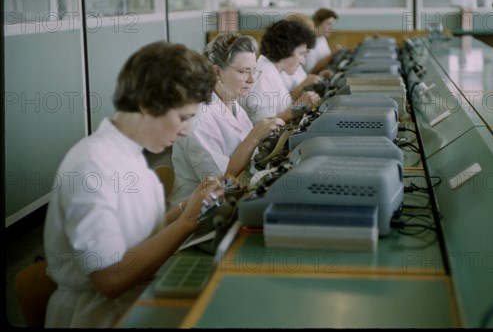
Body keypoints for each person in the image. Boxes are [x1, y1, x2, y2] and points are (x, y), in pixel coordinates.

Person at [43, 41, 222, 328]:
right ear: (148, 106)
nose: (187, 129)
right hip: (97, 314)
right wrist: (186, 222)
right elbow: (110, 277)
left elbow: (136, 235)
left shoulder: (130, 153)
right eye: (184, 117)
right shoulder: (92, 165)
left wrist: (188, 207)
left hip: (131, 298)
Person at [169, 33, 284, 207]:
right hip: (202, 213)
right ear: (217, 71)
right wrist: (255, 136)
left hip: (235, 195)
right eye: (244, 71)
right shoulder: (198, 117)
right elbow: (219, 182)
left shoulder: (233, 103)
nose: (252, 80)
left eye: (254, 71)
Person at [240, 19, 321, 124]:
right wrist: (299, 106)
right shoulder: (264, 76)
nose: (302, 61)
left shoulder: (271, 71)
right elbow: (263, 127)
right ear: (286, 49)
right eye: (301, 54)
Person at [305, 8, 346, 75]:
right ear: (317, 22)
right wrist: (332, 54)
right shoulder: (309, 42)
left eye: (331, 25)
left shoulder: (322, 38)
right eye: (328, 24)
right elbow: (311, 72)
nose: (331, 28)